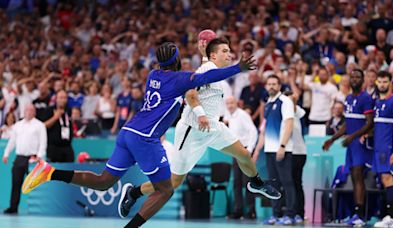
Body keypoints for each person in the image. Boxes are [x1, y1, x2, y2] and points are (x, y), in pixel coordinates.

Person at [21, 42, 259, 228]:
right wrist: (238, 67)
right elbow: (207, 77)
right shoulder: (178, 79)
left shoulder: (153, 76)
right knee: (165, 190)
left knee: (103, 182)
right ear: (177, 61)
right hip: (145, 139)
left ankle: (50, 173)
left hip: (128, 131)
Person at [118, 37, 281, 221]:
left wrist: (205, 54)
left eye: (229, 50)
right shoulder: (205, 70)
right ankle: (134, 192)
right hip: (193, 130)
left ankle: (256, 183)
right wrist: (200, 113)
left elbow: (207, 69)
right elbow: (190, 94)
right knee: (174, 182)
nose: (229, 54)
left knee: (243, 154)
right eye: (225, 51)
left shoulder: (214, 72)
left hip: (213, 127)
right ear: (213, 55)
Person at [322, 69, 374, 226]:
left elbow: (370, 122)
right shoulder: (349, 98)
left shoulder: (366, 98)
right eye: (352, 77)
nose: (355, 79)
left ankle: (360, 214)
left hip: (360, 144)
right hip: (351, 145)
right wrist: (332, 139)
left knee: (358, 176)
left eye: (358, 77)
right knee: (353, 176)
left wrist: (353, 136)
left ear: (363, 80)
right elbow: (347, 124)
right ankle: (355, 214)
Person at [253, 75, 296, 225]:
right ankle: (276, 214)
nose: (271, 86)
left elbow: (289, 124)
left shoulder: (285, 101)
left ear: (279, 86)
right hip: (269, 150)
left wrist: (282, 146)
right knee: (273, 184)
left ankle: (290, 214)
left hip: (282, 149)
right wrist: (257, 151)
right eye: (269, 84)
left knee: (287, 182)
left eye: (274, 84)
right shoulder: (267, 104)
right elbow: (264, 130)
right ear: (266, 86)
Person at [2, 104, 47, 214]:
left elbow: (43, 142)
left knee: (36, 184)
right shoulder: (18, 125)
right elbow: (12, 141)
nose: (29, 112)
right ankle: (13, 207)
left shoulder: (40, 125)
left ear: (34, 112)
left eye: (31, 110)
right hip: (20, 158)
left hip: (33, 158)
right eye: (27, 110)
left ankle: (38, 209)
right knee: (16, 183)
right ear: (24, 111)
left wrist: (39, 156)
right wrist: (6, 153)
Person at [371, 71, 393, 228]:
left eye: (385, 82)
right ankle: (389, 216)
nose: (382, 84)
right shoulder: (376, 103)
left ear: (390, 83)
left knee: (389, 179)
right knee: (384, 180)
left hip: (387, 148)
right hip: (377, 148)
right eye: (380, 82)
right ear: (376, 83)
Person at [224, 96, 258, 220]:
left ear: (237, 103)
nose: (230, 105)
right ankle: (238, 210)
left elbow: (253, 131)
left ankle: (251, 211)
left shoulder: (243, 115)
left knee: (247, 182)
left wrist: (249, 149)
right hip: (236, 152)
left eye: (232, 102)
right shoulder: (230, 117)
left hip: (244, 151)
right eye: (227, 103)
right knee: (237, 182)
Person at [285, 91, 307, 224]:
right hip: (287, 152)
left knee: (296, 183)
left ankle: (299, 213)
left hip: (299, 152)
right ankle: (291, 212)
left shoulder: (298, 111)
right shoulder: (283, 112)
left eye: (291, 101)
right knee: (289, 183)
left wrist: (293, 101)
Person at [43, 90, 74, 162]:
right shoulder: (49, 110)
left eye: (65, 98)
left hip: (67, 147)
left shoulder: (68, 111)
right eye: (61, 98)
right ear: (56, 99)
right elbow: (43, 126)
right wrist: (55, 118)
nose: (63, 100)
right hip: (54, 148)